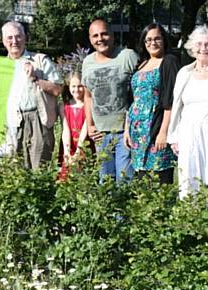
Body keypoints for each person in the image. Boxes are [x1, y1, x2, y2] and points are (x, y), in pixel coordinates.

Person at [168, 25, 208, 200]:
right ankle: (189, 218)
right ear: (191, 47)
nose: (203, 48)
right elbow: (177, 107)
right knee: (188, 178)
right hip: (188, 132)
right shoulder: (184, 73)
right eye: (199, 44)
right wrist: (173, 137)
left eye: (207, 44)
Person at [82, 18, 138, 183]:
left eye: (104, 34)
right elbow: (88, 95)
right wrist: (90, 125)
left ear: (112, 35)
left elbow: (139, 92)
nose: (100, 39)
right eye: (95, 36)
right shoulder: (88, 62)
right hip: (100, 134)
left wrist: (130, 125)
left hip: (124, 132)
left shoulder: (127, 56)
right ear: (91, 39)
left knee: (125, 180)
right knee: (105, 182)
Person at [3, 21, 63, 170]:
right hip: (12, 121)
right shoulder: (0, 67)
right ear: (4, 41)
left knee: (39, 167)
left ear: (25, 38)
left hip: (38, 119)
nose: (14, 41)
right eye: (9, 38)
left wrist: (36, 78)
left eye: (18, 36)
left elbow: (58, 89)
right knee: (15, 169)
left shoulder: (40, 60)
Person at [125, 23, 179, 184]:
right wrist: (127, 129)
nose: (152, 43)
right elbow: (132, 100)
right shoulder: (141, 63)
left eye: (157, 39)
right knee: (141, 180)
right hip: (137, 132)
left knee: (160, 179)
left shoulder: (169, 61)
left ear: (164, 40)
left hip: (156, 129)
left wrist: (164, 132)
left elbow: (171, 100)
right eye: (148, 40)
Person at [58, 71, 94, 180]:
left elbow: (85, 129)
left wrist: (78, 151)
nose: (76, 90)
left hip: (84, 143)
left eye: (80, 86)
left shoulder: (89, 105)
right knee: (66, 176)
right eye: (73, 86)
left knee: (84, 174)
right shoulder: (63, 106)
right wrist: (67, 152)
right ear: (68, 87)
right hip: (69, 143)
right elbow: (65, 129)